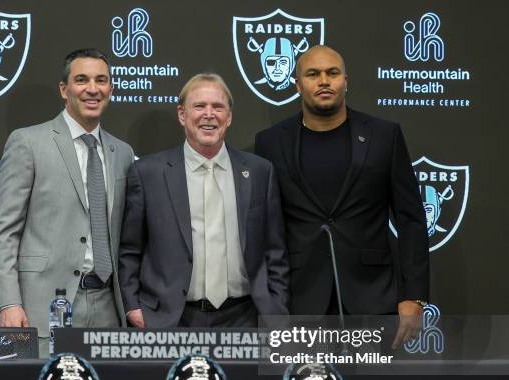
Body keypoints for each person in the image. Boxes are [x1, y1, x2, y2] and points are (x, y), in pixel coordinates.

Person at [254, 45, 429, 345]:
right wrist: (268, 301)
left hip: (373, 299)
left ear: (346, 81)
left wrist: (414, 296)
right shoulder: (270, 142)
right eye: (313, 74)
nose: (324, 81)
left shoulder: (384, 136)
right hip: (298, 302)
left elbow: (411, 218)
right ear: (297, 85)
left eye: (332, 73)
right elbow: (264, 228)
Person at [0, 48, 134, 356]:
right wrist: (9, 303)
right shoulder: (28, 143)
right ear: (64, 89)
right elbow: (3, 232)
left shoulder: (122, 153)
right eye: (81, 80)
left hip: (109, 308)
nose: (92, 89)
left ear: (110, 88)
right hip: (43, 308)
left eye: (101, 80)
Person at [119, 73, 289, 328]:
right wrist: (133, 307)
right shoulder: (147, 173)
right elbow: (131, 249)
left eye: (218, 107)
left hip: (246, 317)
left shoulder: (259, 171)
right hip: (171, 319)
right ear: (182, 114)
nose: (209, 114)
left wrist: (275, 305)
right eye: (199, 106)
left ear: (229, 116)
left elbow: (274, 249)